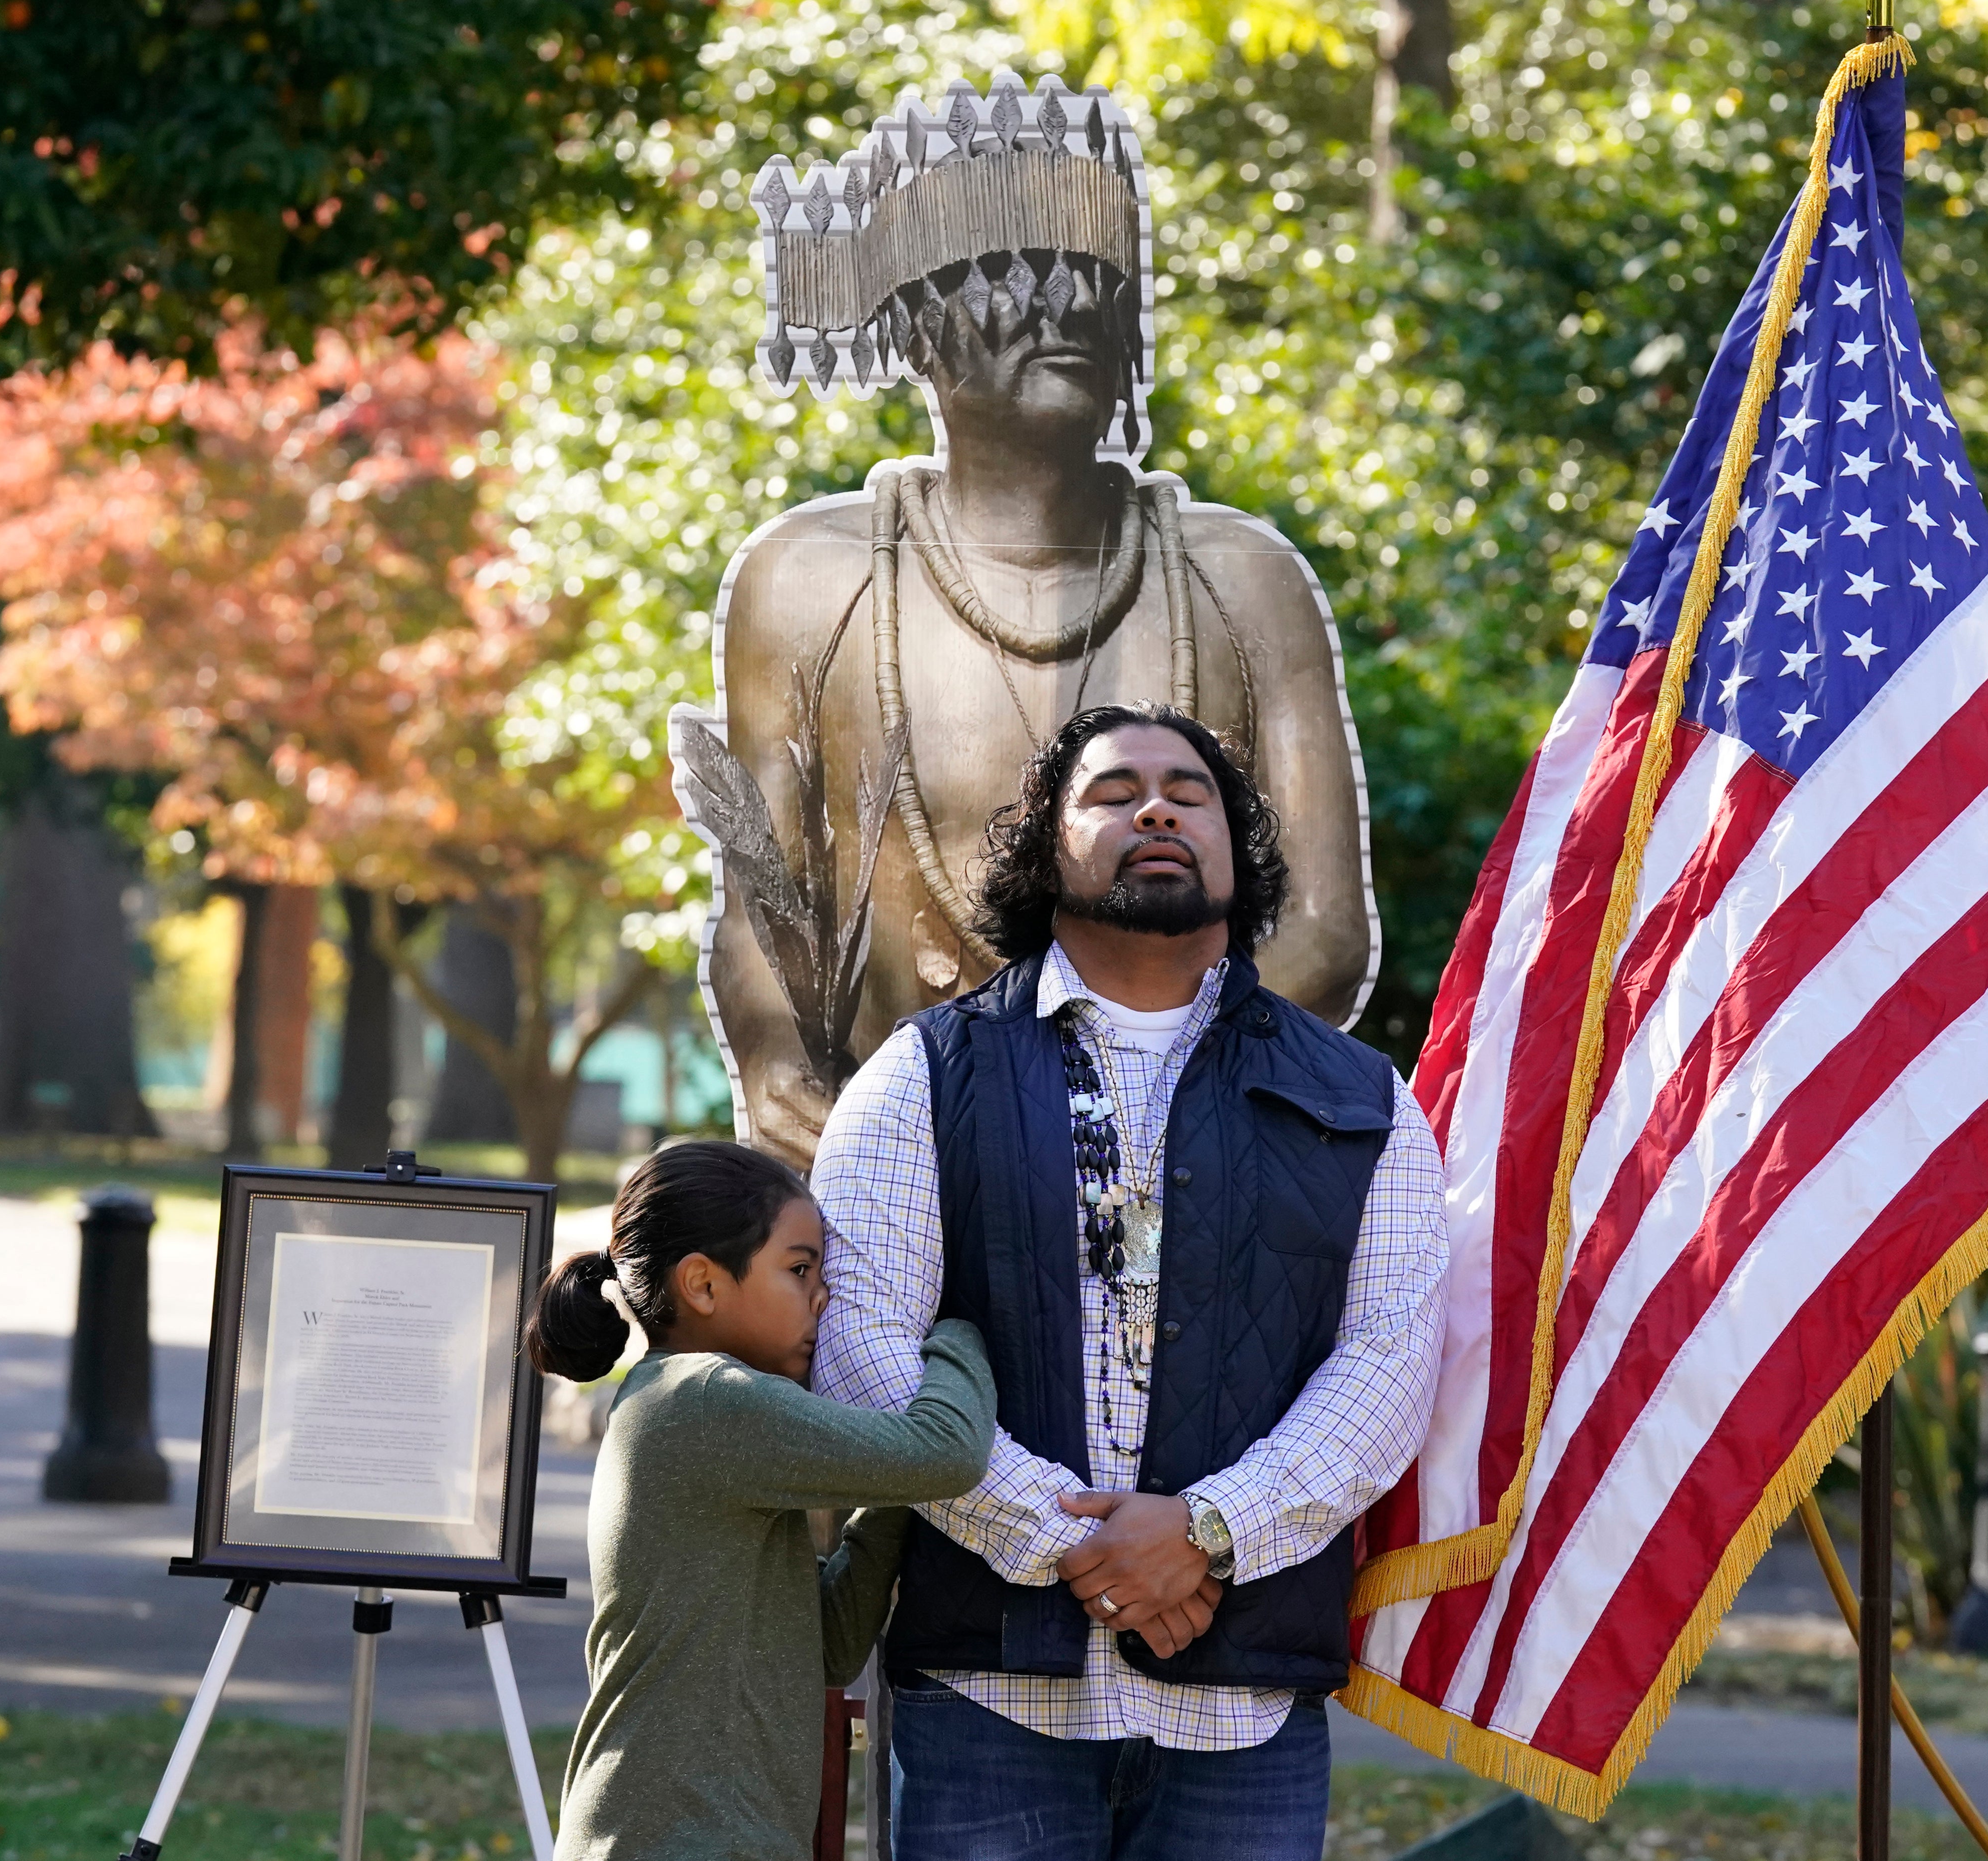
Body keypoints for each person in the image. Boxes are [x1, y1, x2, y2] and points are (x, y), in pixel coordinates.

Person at [698, 76, 1376, 1169]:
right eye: (1010, 280)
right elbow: (764, 903)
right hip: (893, 1147)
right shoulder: (812, 578)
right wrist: (782, 1064)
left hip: (1188, 1150)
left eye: (1092, 286)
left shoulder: (1239, 579)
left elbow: (1326, 933)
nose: (1061, 312)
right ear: (919, 330)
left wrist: (1126, 1098)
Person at [811, 705, 1450, 1860]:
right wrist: (1079, 1549)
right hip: (991, 1689)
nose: (1153, 807)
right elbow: (865, 1348)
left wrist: (1207, 1530)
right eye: (1111, 792)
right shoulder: (923, 1073)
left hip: (1242, 1704)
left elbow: (1391, 1363)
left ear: (1234, 847)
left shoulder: (1363, 1097)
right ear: (1047, 845)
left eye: (1186, 791)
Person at [532, 1140, 998, 1861]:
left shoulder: (689, 1411)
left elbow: (833, 1645)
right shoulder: (705, 1402)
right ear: (703, 1285)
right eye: (800, 1269)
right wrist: (959, 1321)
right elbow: (949, 1452)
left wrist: (895, 1489)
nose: (823, 1296)